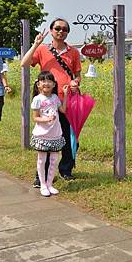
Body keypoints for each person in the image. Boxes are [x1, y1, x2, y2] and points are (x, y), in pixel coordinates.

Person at [21, 18, 81, 186]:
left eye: (64, 29)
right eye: (57, 28)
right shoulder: (42, 49)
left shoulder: (74, 52)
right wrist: (35, 44)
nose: (60, 31)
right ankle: (41, 175)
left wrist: (76, 83)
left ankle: (66, 169)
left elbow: (77, 75)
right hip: (49, 103)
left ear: (67, 32)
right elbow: (24, 63)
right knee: (48, 138)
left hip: (68, 102)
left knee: (69, 138)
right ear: (51, 30)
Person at [30, 71, 69, 197]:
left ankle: (50, 184)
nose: (46, 83)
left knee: (53, 160)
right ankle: (42, 184)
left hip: (55, 134)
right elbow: (35, 118)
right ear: (38, 85)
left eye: (49, 81)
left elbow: (62, 109)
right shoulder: (37, 99)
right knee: (42, 160)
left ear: (53, 84)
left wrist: (66, 95)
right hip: (42, 135)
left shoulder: (55, 98)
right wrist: (46, 119)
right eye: (43, 81)